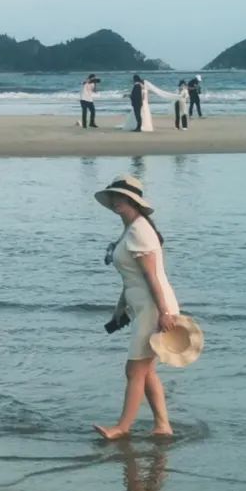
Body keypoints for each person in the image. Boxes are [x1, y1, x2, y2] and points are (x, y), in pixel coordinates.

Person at [92, 176, 181, 440]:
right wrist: (120, 308)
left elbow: (152, 277)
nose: (116, 201)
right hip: (142, 308)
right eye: (114, 197)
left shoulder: (140, 230)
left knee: (134, 370)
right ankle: (162, 425)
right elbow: (131, 278)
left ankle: (122, 428)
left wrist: (165, 312)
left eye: (122, 197)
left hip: (154, 308)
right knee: (146, 370)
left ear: (134, 201)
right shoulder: (131, 229)